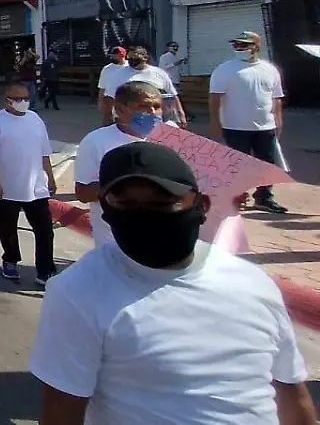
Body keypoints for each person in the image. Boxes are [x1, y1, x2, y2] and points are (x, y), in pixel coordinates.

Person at [30, 141, 315, 425]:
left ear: (202, 205)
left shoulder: (254, 283)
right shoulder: (77, 293)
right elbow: (62, 412)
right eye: (126, 205)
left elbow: (289, 391)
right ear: (106, 212)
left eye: (162, 203)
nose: (144, 216)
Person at [75, 80, 178, 249]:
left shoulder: (173, 135)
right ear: (120, 109)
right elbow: (83, 193)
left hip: (165, 238)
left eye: (157, 106)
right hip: (115, 242)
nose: (152, 113)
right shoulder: (95, 141)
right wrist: (130, 186)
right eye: (143, 107)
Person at [0, 82, 57, 286]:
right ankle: (11, 260)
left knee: (44, 230)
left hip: (36, 188)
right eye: (17, 99)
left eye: (25, 98)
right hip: (7, 188)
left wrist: (50, 177)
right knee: (8, 228)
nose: (22, 102)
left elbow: (44, 152)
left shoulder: (35, 119)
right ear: (7, 100)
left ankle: (45, 270)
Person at [209, 31, 288, 214]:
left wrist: (279, 122)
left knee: (266, 164)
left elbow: (276, 99)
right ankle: (237, 197)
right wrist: (215, 122)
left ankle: (264, 197)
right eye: (237, 45)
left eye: (244, 45)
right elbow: (214, 99)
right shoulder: (225, 70)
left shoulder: (269, 70)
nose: (239, 48)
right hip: (234, 126)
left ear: (256, 47)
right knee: (237, 165)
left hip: (265, 126)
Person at [100, 45, 185, 124]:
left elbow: (173, 95)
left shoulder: (159, 73)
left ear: (145, 58)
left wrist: (180, 114)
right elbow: (109, 98)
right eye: (129, 57)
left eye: (135, 57)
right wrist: (108, 119)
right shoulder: (119, 74)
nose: (131, 59)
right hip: (128, 119)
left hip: (155, 118)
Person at [97, 47, 129, 125]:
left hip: (124, 98)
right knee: (108, 120)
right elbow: (102, 86)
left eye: (115, 56)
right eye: (112, 56)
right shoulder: (107, 69)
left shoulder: (129, 67)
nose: (112, 58)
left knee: (123, 119)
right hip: (109, 98)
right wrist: (100, 101)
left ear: (122, 56)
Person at [159, 40, 190, 120]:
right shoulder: (164, 57)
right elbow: (163, 68)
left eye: (176, 46)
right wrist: (175, 63)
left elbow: (180, 69)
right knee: (174, 97)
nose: (175, 48)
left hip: (176, 80)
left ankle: (178, 114)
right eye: (173, 46)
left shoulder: (177, 57)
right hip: (168, 80)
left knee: (176, 97)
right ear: (168, 48)